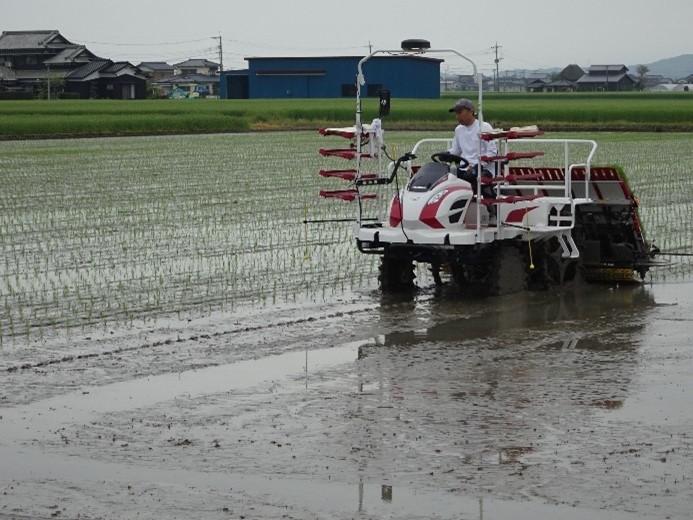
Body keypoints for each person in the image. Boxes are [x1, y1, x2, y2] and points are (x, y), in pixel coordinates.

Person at [446, 98, 498, 191]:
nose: (457, 116)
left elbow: (492, 152)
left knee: (471, 177)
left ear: (471, 111)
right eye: (456, 113)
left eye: (460, 112)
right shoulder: (458, 129)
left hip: (483, 169)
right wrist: (447, 154)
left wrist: (478, 166)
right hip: (464, 168)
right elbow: (456, 150)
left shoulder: (484, 127)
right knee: (445, 177)